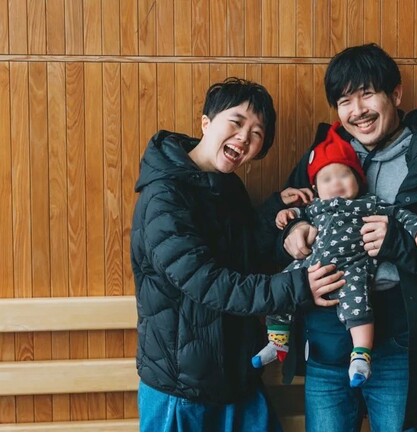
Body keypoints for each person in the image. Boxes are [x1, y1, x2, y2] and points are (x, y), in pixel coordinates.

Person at [276, 44, 417, 431]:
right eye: (345, 101)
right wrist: (292, 231)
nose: (357, 110)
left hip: (401, 339)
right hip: (326, 341)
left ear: (396, 94)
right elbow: (281, 210)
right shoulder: (325, 152)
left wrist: (402, 245)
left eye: (367, 94)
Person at [130, 77, 343, 432]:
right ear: (206, 122)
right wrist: (298, 287)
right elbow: (208, 282)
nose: (245, 137)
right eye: (237, 122)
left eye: (257, 133)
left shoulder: (226, 186)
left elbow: (246, 256)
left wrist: (278, 215)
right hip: (181, 388)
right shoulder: (163, 197)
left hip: (236, 377)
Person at [251, 122, 417, 388]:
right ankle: (278, 340)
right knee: (283, 284)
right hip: (312, 264)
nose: (336, 183)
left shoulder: (368, 203)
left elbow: (400, 214)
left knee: (357, 302)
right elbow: (296, 216)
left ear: (358, 179)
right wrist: (286, 216)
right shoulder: (315, 207)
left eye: (344, 175)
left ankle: (361, 354)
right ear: (315, 188)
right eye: (326, 179)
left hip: (353, 266)